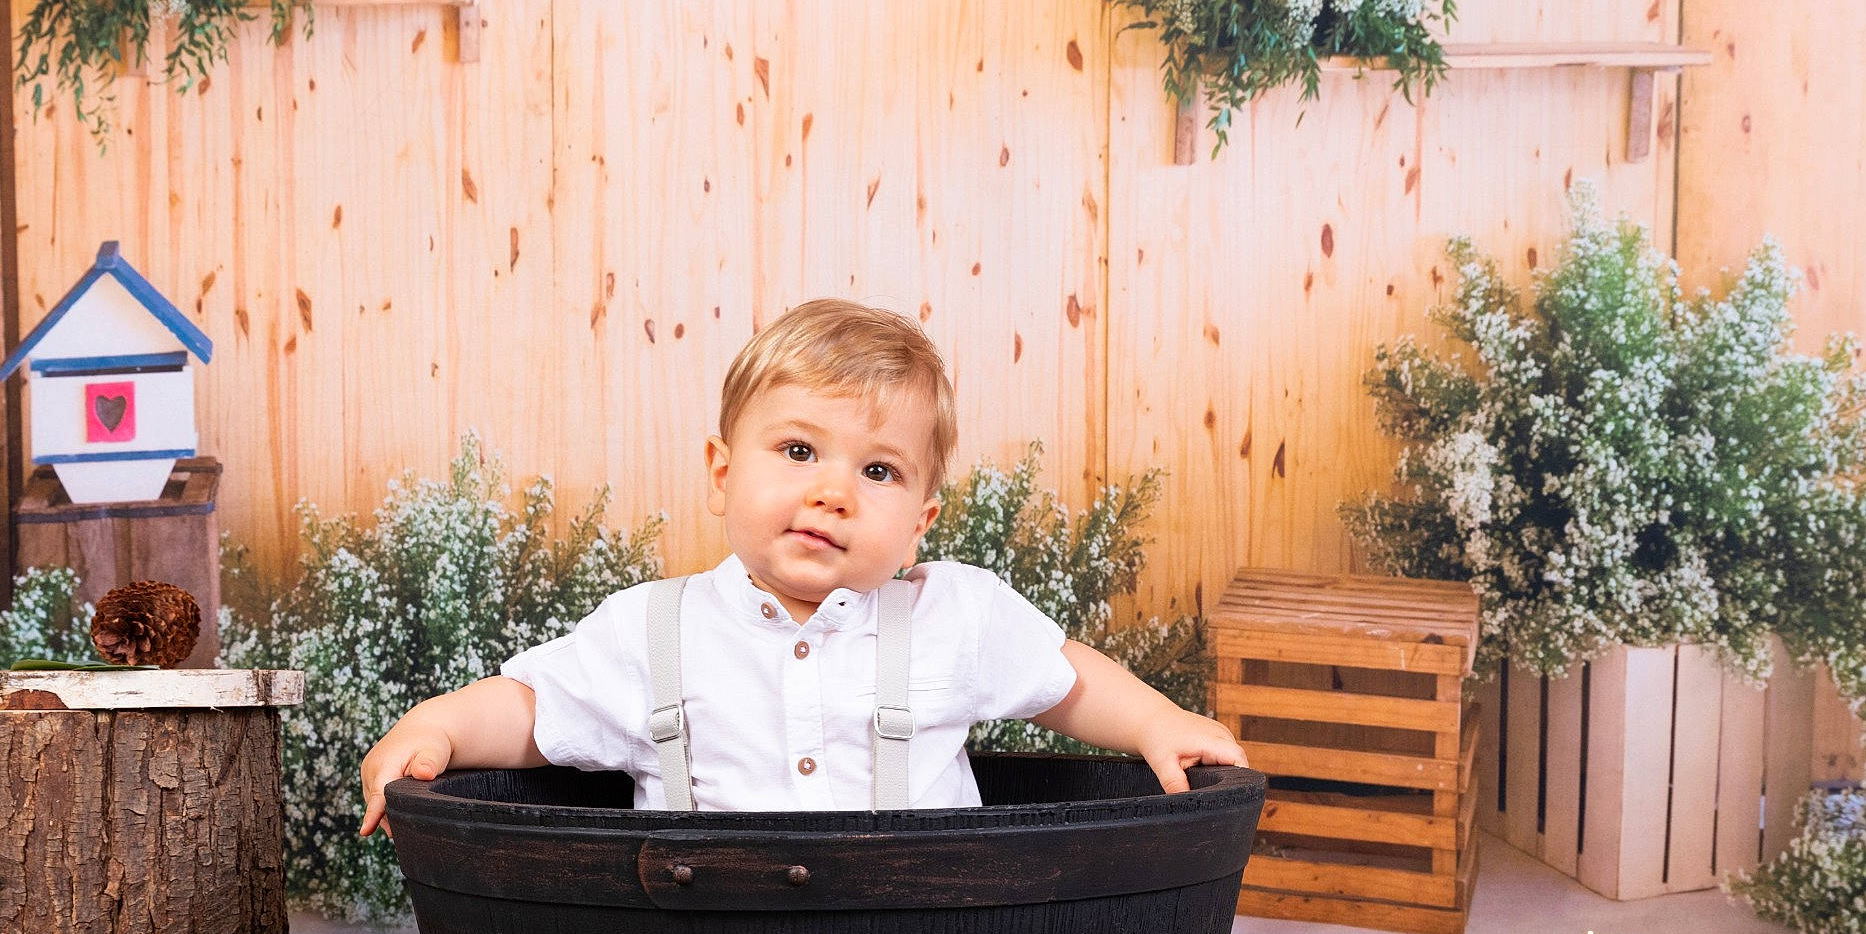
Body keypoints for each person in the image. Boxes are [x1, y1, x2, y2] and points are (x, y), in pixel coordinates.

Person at [359, 298, 1245, 833]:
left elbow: (1066, 682)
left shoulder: (956, 615)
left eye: (878, 470)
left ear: (919, 524)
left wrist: (1156, 720)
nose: (833, 493)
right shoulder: (654, 630)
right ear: (721, 472)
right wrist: (433, 728)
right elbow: (535, 709)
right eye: (796, 449)